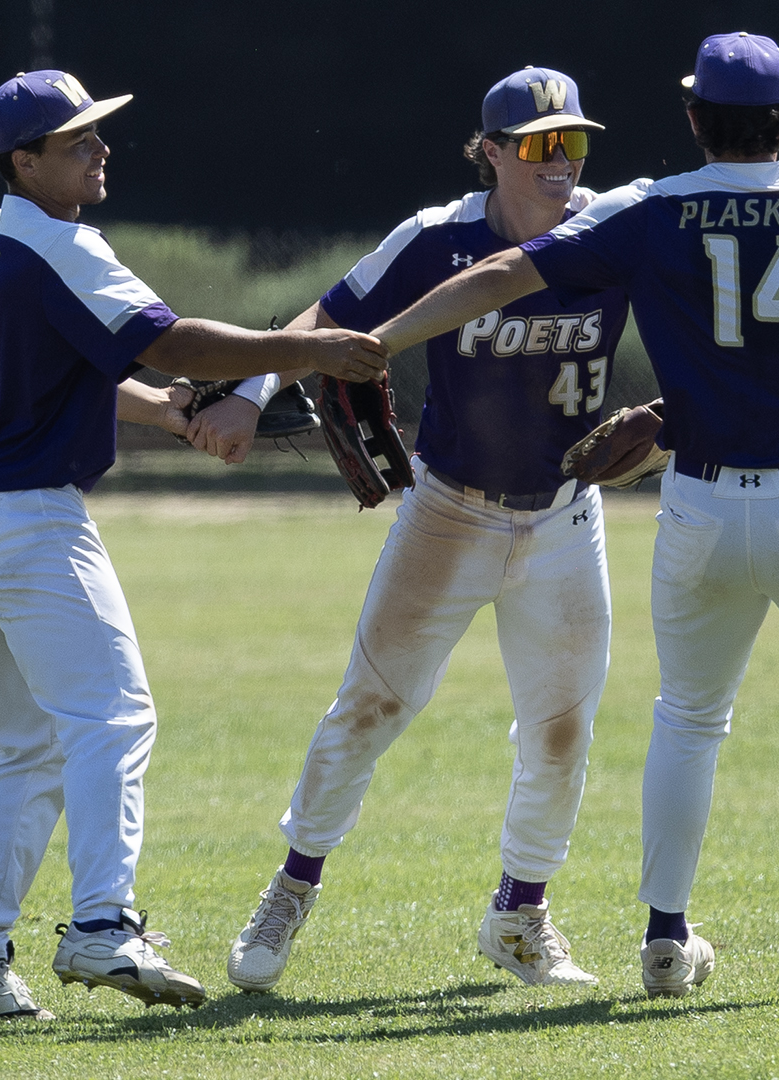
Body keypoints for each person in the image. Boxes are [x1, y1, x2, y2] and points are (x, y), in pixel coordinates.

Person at [361, 33, 779, 999]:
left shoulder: (650, 206)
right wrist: (776, 363)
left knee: (689, 718)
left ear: (693, 117)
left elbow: (502, 276)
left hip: (702, 502)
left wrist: (381, 339)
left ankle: (665, 940)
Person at [0, 69, 386, 1021]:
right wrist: (306, 351)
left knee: (33, 744)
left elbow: (75, 366)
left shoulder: (2, 243)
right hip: (25, 520)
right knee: (115, 715)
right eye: (77, 139)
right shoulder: (63, 244)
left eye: (98, 132)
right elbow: (177, 343)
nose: (100, 148)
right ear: (25, 161)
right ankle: (102, 925)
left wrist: (164, 416)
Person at [221, 67, 630, 993]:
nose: (560, 160)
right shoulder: (437, 236)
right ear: (490, 152)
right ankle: (291, 888)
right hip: (450, 511)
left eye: (574, 141)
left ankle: (521, 914)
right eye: (537, 144)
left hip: (568, 516)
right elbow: (330, 316)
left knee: (561, 734)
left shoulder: (614, 224)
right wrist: (249, 394)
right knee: (367, 708)